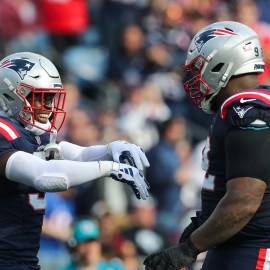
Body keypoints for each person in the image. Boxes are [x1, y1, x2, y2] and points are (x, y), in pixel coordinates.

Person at [0, 51, 150, 270]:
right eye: (41, 97)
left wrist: (111, 149)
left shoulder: (32, 135)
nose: (49, 107)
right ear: (12, 94)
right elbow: (43, 176)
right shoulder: (4, 131)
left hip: (23, 260)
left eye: (51, 98)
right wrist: (108, 168)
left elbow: (77, 154)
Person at [144, 20, 270, 270]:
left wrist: (188, 250)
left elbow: (244, 200)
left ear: (222, 63)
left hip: (250, 249)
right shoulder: (240, 107)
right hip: (233, 245)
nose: (197, 77)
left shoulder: (247, 111)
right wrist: (203, 222)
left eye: (199, 67)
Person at [59, 217, 126, 270]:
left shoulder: (115, 268)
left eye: (93, 242)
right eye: (84, 243)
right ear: (75, 247)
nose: (90, 247)